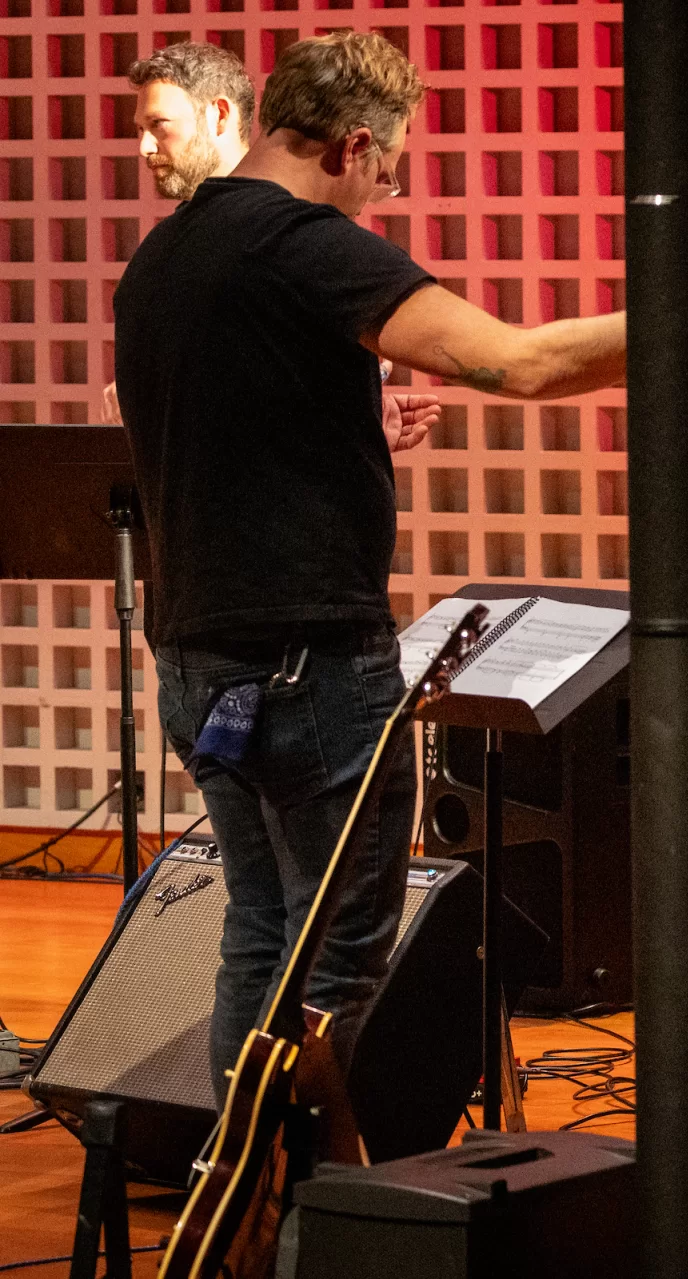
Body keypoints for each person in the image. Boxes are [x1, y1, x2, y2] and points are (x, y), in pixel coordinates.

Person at [115, 31, 631, 1098]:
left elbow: (231, 425)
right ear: (353, 143)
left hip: (196, 655)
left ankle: (239, 1199)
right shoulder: (310, 244)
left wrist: (354, 423)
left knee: (260, 928)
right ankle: (302, 1211)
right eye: (391, 164)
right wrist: (675, 323)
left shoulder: (166, 254)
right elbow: (516, 362)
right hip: (307, 660)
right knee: (343, 955)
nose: (389, 187)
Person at [102, 40, 440, 455]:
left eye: (158, 124)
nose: (145, 147)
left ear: (220, 114)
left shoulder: (295, 233)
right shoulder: (178, 243)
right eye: (140, 129)